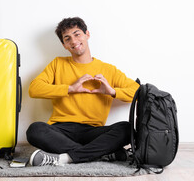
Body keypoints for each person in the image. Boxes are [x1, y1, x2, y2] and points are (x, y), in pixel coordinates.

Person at [26, 17, 139, 166]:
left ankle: (65, 158)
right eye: (67, 38)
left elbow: (138, 92)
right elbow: (34, 89)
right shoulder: (57, 63)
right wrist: (70, 88)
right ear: (64, 45)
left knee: (126, 129)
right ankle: (99, 154)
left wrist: (112, 91)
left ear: (87, 34)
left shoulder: (108, 69)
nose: (73, 41)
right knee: (35, 130)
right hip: (60, 130)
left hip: (93, 132)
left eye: (77, 34)